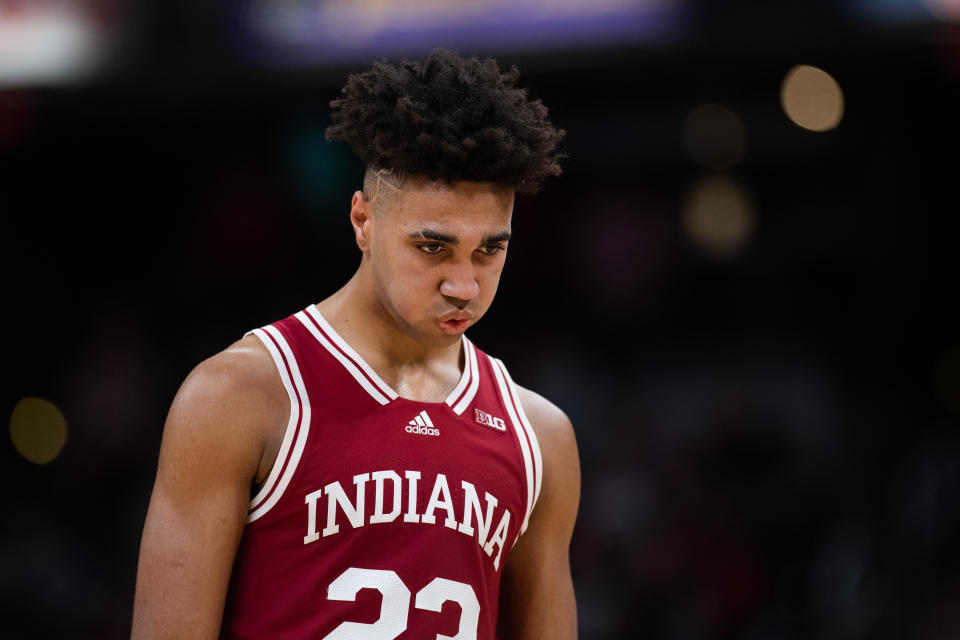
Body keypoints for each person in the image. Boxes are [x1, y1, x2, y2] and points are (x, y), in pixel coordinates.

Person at [132, 48, 580, 639]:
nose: (464, 284)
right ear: (362, 221)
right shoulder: (242, 394)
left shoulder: (539, 436)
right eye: (432, 247)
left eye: (489, 250)